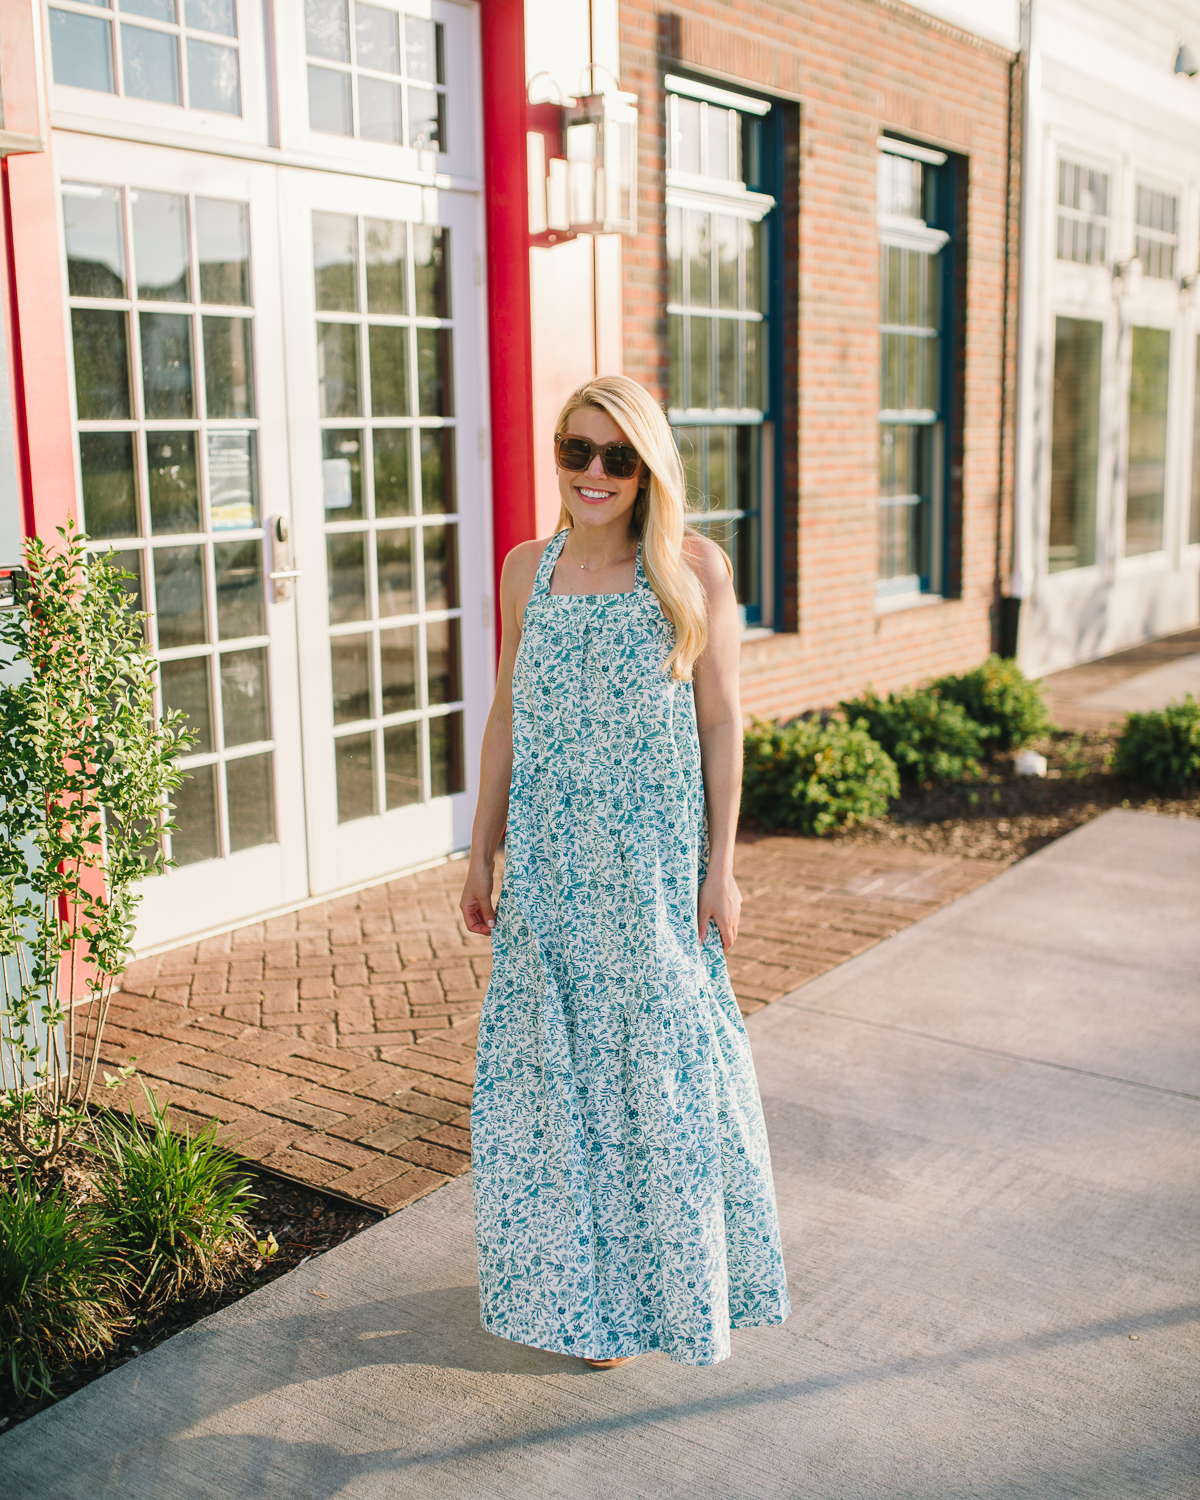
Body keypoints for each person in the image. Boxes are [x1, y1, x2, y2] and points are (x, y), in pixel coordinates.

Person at [460, 375, 789, 1368]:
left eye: (618, 456)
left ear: (648, 468)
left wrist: (720, 870)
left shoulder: (692, 569)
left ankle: (678, 1283)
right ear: (558, 456)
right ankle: (582, 1295)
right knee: (560, 1083)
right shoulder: (526, 568)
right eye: (577, 452)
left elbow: (722, 722)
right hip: (553, 876)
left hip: (652, 875)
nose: (595, 474)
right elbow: (507, 715)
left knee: (661, 1082)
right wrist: (481, 852)